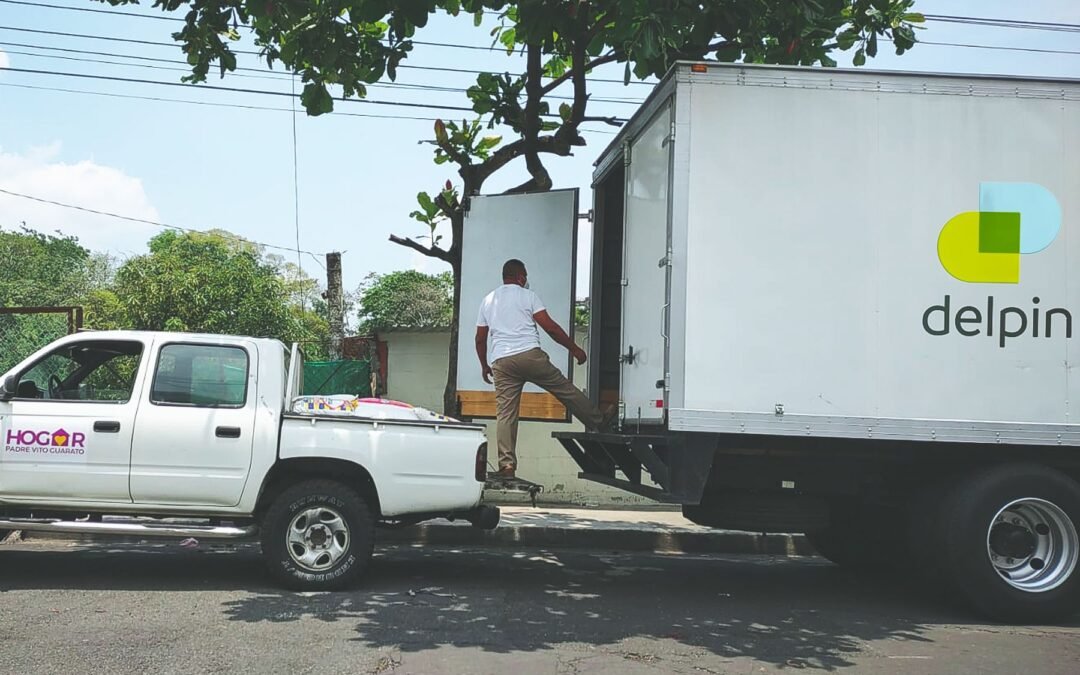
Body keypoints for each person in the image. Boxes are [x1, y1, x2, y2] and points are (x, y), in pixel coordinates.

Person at [475, 259, 612, 478]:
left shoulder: (488, 300)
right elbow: (551, 328)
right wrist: (575, 349)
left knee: (506, 414)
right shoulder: (528, 296)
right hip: (530, 355)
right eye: (525, 275)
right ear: (520, 276)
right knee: (564, 389)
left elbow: (480, 339)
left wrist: (484, 365)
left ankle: (507, 466)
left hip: (501, 361)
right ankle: (598, 421)